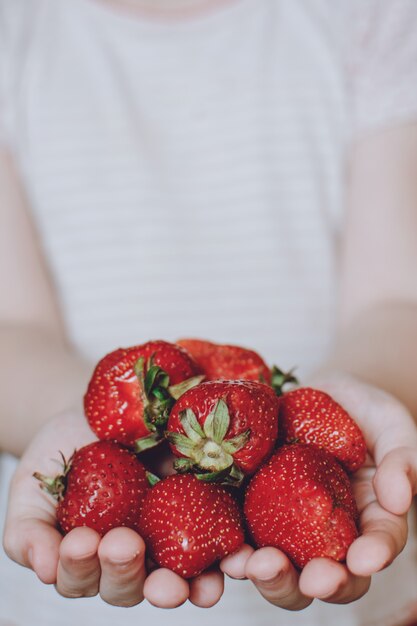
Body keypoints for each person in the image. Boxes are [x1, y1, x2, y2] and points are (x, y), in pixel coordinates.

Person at [1, 0, 417, 624]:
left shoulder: (369, 15)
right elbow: (12, 329)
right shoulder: (15, 34)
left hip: (353, 604)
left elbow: (395, 301)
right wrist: (91, 428)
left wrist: (359, 402)